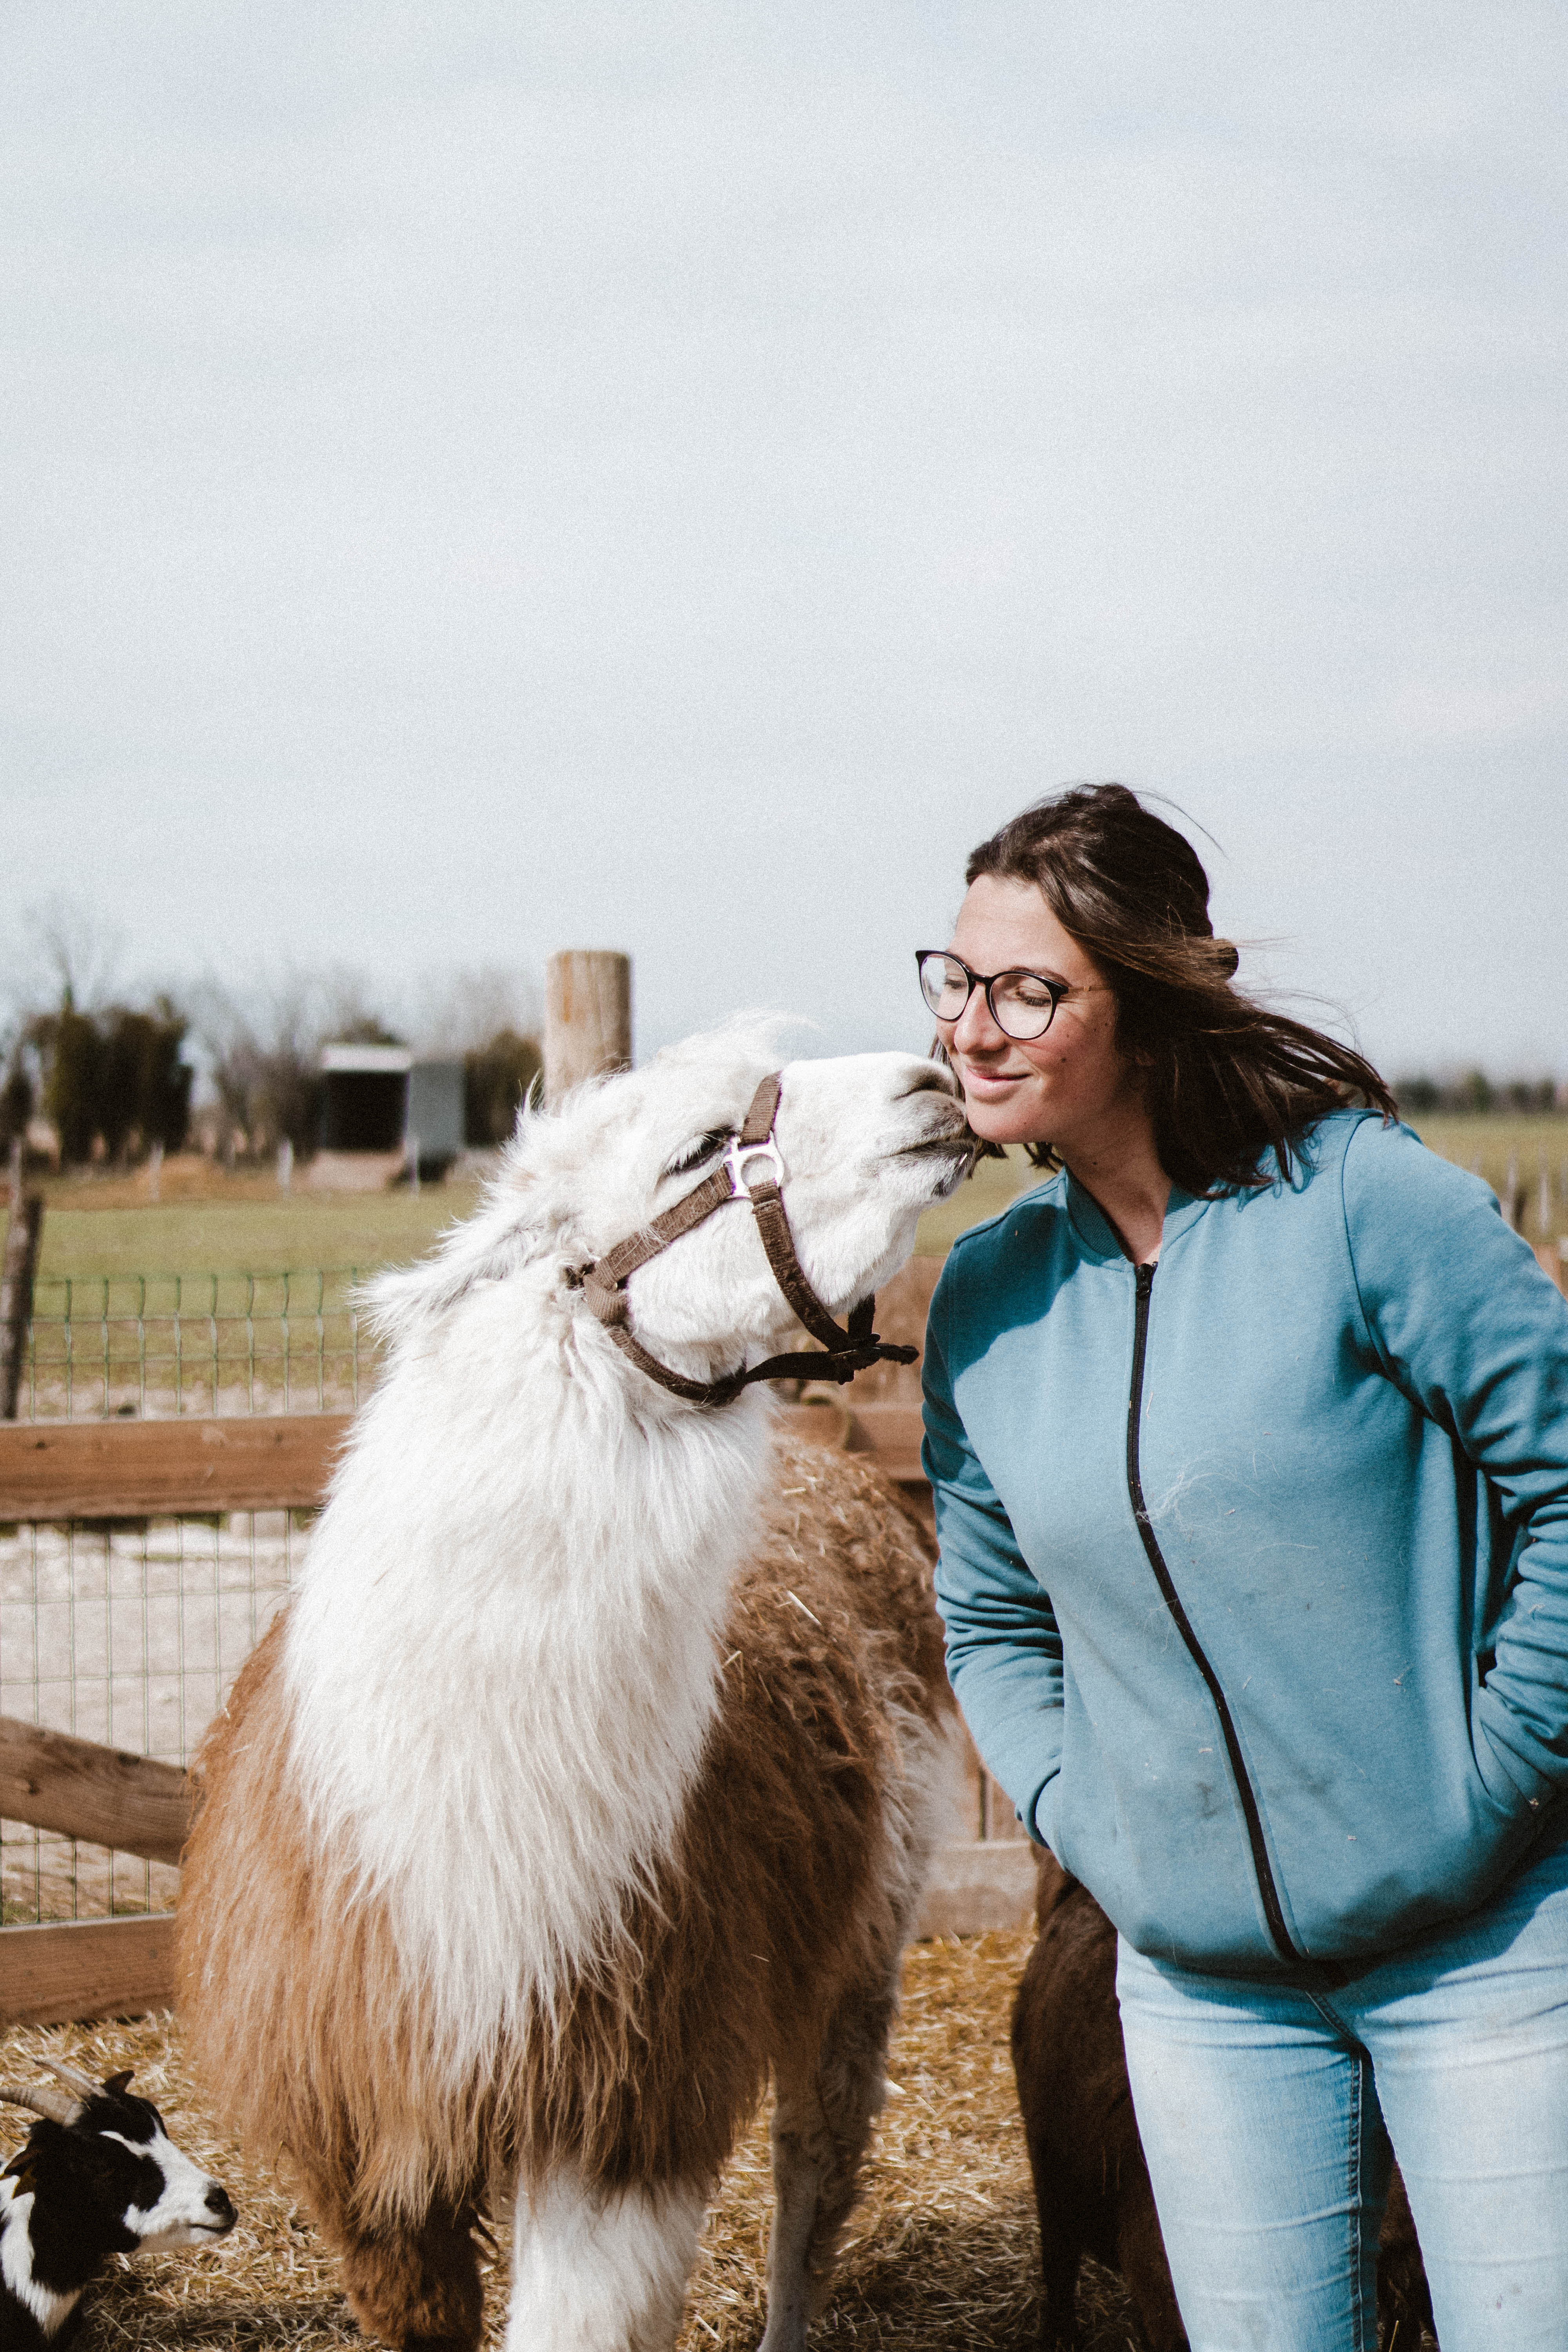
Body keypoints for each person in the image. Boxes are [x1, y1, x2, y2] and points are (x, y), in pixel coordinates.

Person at [918, 783, 1568, 2352]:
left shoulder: (1369, 1206)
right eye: (952, 978)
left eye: (1026, 991)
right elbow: (992, 1617)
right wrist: (1098, 1826)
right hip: (1203, 1997)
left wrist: (1490, 1785)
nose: (972, 1030)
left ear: (1145, 1000)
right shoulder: (988, 1303)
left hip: (1477, 1952)